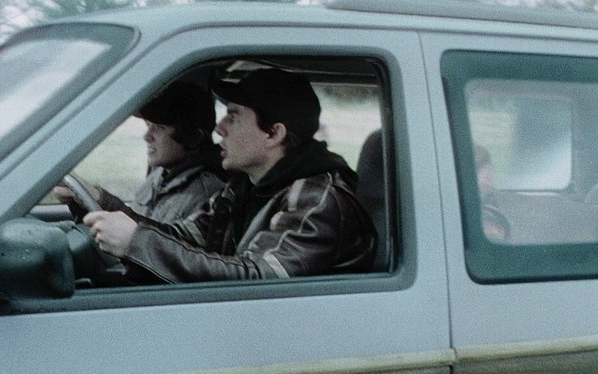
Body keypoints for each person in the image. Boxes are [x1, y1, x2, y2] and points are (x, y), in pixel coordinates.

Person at [82, 68, 377, 283]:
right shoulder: (244, 187)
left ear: (274, 134)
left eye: (233, 117)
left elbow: (257, 280)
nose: (219, 128)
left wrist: (137, 242)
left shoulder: (317, 200)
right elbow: (183, 239)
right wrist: (101, 201)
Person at [54, 81, 225, 223]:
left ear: (192, 137)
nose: (147, 136)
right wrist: (81, 204)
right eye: (149, 125)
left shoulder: (206, 194)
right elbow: (134, 225)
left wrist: (101, 199)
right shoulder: (160, 176)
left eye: (160, 128)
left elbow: (158, 246)